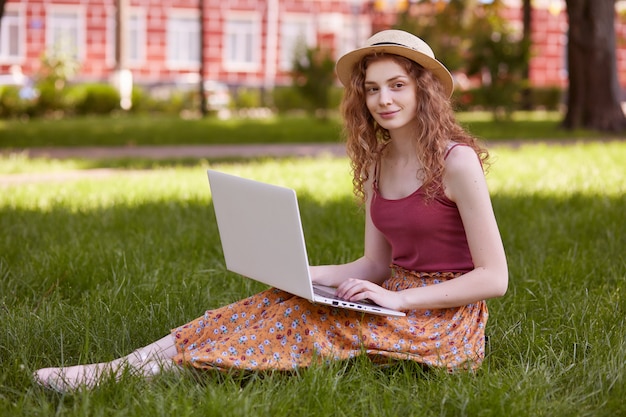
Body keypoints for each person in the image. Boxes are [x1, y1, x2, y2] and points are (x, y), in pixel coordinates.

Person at [34, 30, 508, 392]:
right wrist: (298, 273)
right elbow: (375, 266)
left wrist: (399, 300)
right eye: (372, 88)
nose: (383, 99)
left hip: (443, 322)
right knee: (270, 302)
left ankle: (152, 373)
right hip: (392, 297)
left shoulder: (456, 162)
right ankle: (113, 370)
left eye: (398, 85)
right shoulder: (379, 163)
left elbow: (494, 277)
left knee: (306, 322)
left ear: (424, 89)